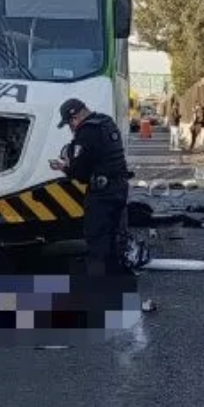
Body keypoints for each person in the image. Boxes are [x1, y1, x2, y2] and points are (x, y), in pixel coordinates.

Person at [51, 98, 132, 276]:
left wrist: (64, 166)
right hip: (119, 187)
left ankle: (97, 284)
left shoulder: (87, 131)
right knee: (115, 236)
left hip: (101, 194)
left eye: (69, 123)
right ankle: (115, 279)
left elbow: (79, 172)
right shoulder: (106, 122)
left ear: (76, 116)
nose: (71, 127)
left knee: (97, 239)